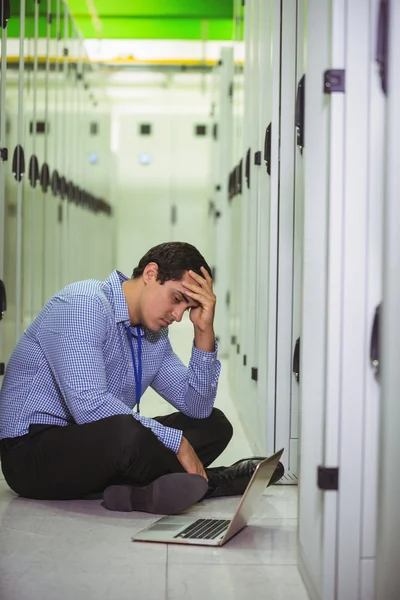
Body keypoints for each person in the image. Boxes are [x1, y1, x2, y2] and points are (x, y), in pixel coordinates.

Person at [0, 242, 284, 514]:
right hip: (30, 453)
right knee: (127, 434)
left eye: (186, 309)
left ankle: (136, 488)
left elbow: (197, 407)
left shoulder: (154, 336)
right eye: (176, 299)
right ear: (151, 274)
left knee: (213, 424)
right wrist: (176, 442)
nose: (177, 316)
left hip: (98, 445)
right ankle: (214, 482)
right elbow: (90, 407)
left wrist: (203, 331)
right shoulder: (83, 304)